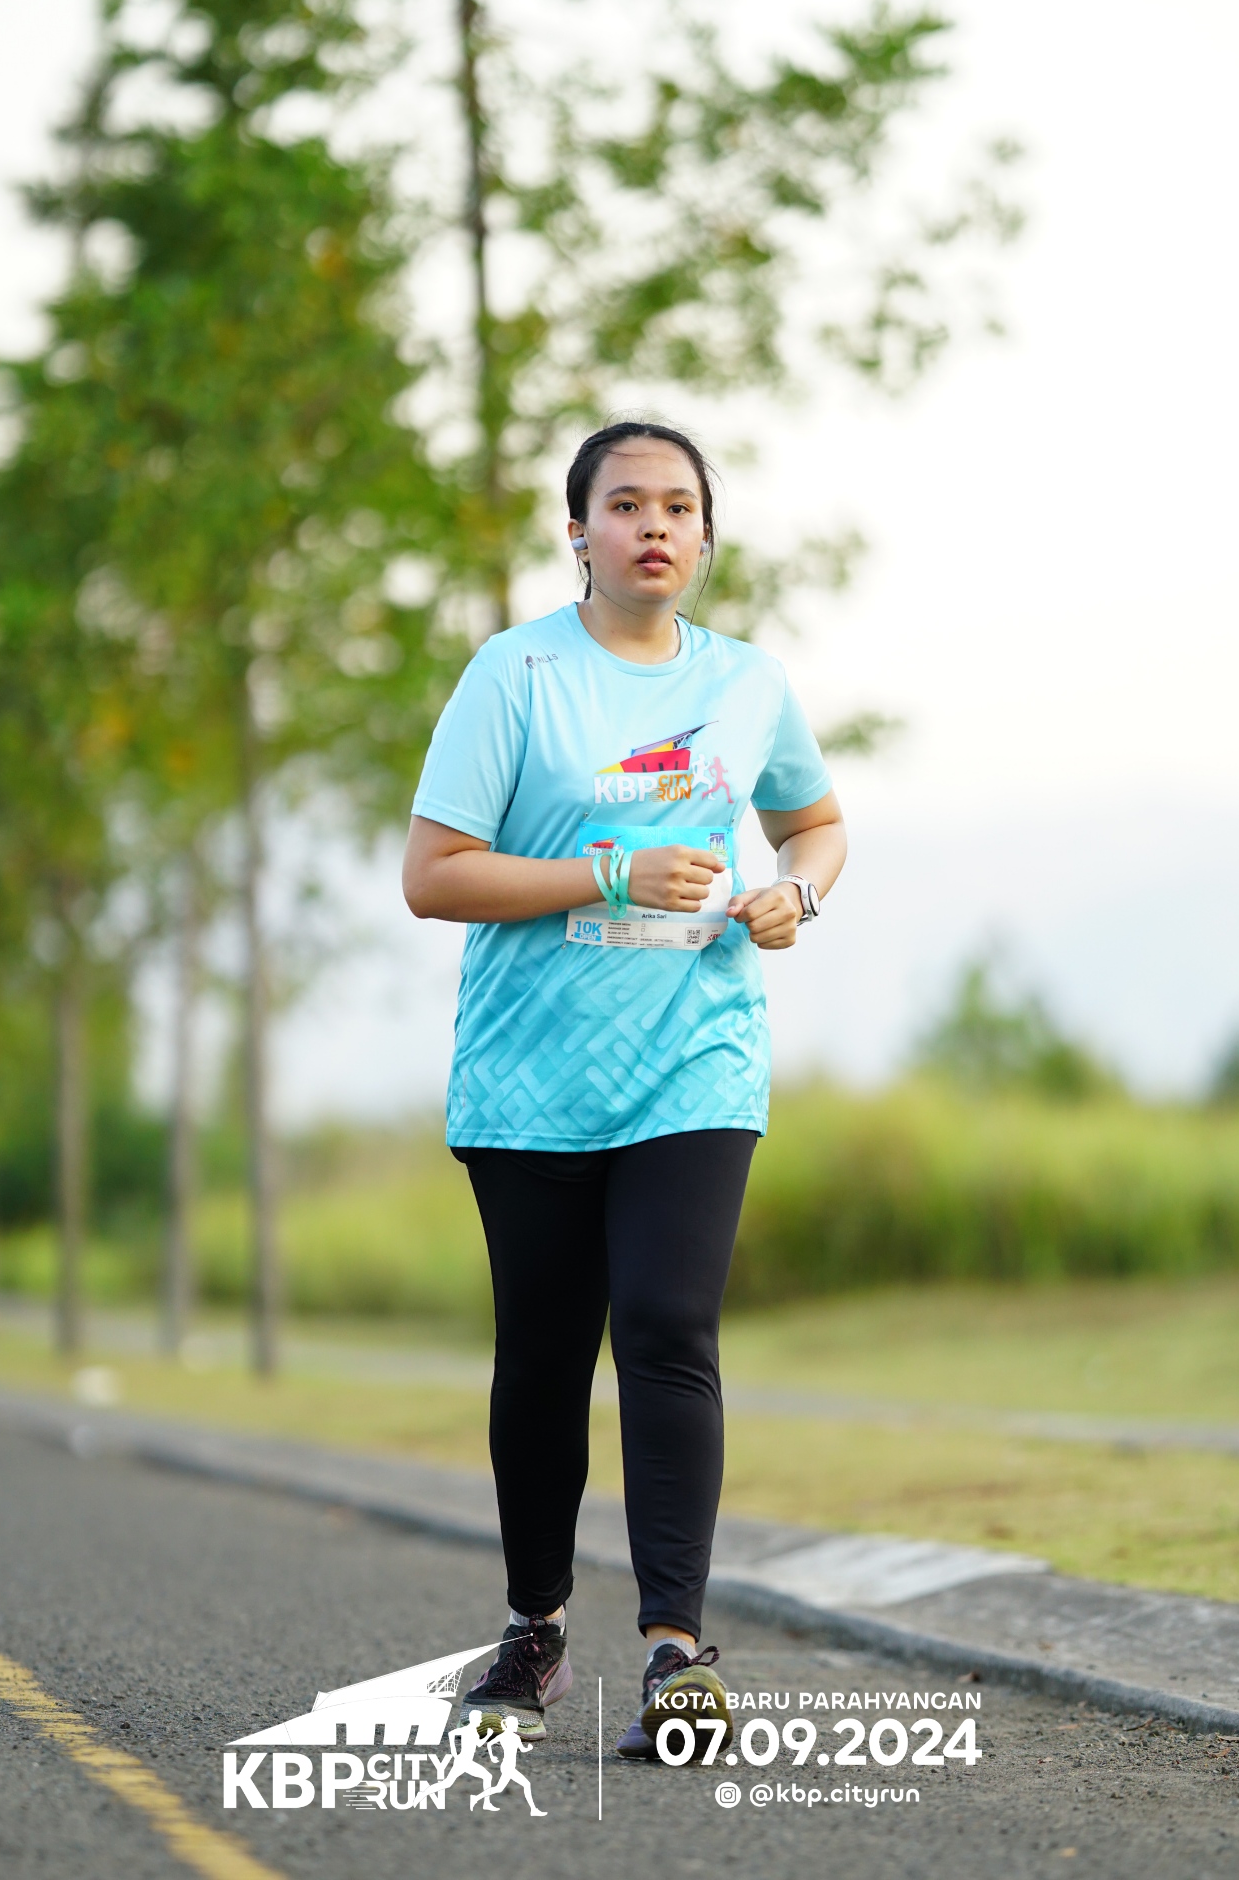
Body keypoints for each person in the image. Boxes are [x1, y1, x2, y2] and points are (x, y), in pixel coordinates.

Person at [402, 419, 846, 1760]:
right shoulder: (515, 673)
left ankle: (673, 1654)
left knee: (666, 1327)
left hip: (694, 1052)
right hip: (531, 1068)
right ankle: (534, 1625)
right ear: (578, 531)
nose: (655, 526)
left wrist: (796, 895)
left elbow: (814, 824)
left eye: (679, 507)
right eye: (625, 504)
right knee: (544, 1357)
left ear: (705, 537)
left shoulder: (749, 682)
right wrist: (607, 871)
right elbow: (434, 875)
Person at [486, 1713, 548, 1815]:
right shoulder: (504, 1736)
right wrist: (492, 1756)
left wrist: (529, 1748)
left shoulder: (516, 1737)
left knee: (499, 1788)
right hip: (507, 1767)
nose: (516, 1726)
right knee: (526, 1784)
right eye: (515, 1724)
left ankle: (476, 1798)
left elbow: (522, 1750)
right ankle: (533, 1810)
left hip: (510, 1767)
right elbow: (489, 1744)